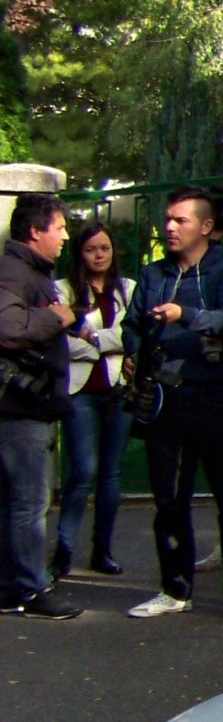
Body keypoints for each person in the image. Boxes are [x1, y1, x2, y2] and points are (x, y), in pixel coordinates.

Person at [125, 186, 223, 620]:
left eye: (180, 220)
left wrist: (186, 315)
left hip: (217, 398)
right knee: (168, 500)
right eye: (168, 219)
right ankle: (175, 589)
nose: (170, 227)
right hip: (166, 400)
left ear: (205, 226)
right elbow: (132, 325)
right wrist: (133, 350)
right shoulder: (154, 274)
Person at [0, 193, 81, 618]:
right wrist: (58, 318)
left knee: (14, 502)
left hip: (25, 405)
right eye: (60, 228)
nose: (65, 236)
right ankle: (32, 588)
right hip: (22, 408)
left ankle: (10, 587)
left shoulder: (27, 272)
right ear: (35, 231)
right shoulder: (14, 272)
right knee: (29, 503)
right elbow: (9, 327)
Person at [54, 217, 135, 580]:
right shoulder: (62, 291)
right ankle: (63, 551)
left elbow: (131, 336)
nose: (99, 255)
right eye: (91, 249)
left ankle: (102, 550)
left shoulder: (128, 289)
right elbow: (62, 343)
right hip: (81, 394)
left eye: (104, 248)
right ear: (80, 253)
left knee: (111, 473)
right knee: (83, 471)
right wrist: (106, 343)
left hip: (119, 390)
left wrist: (92, 337)